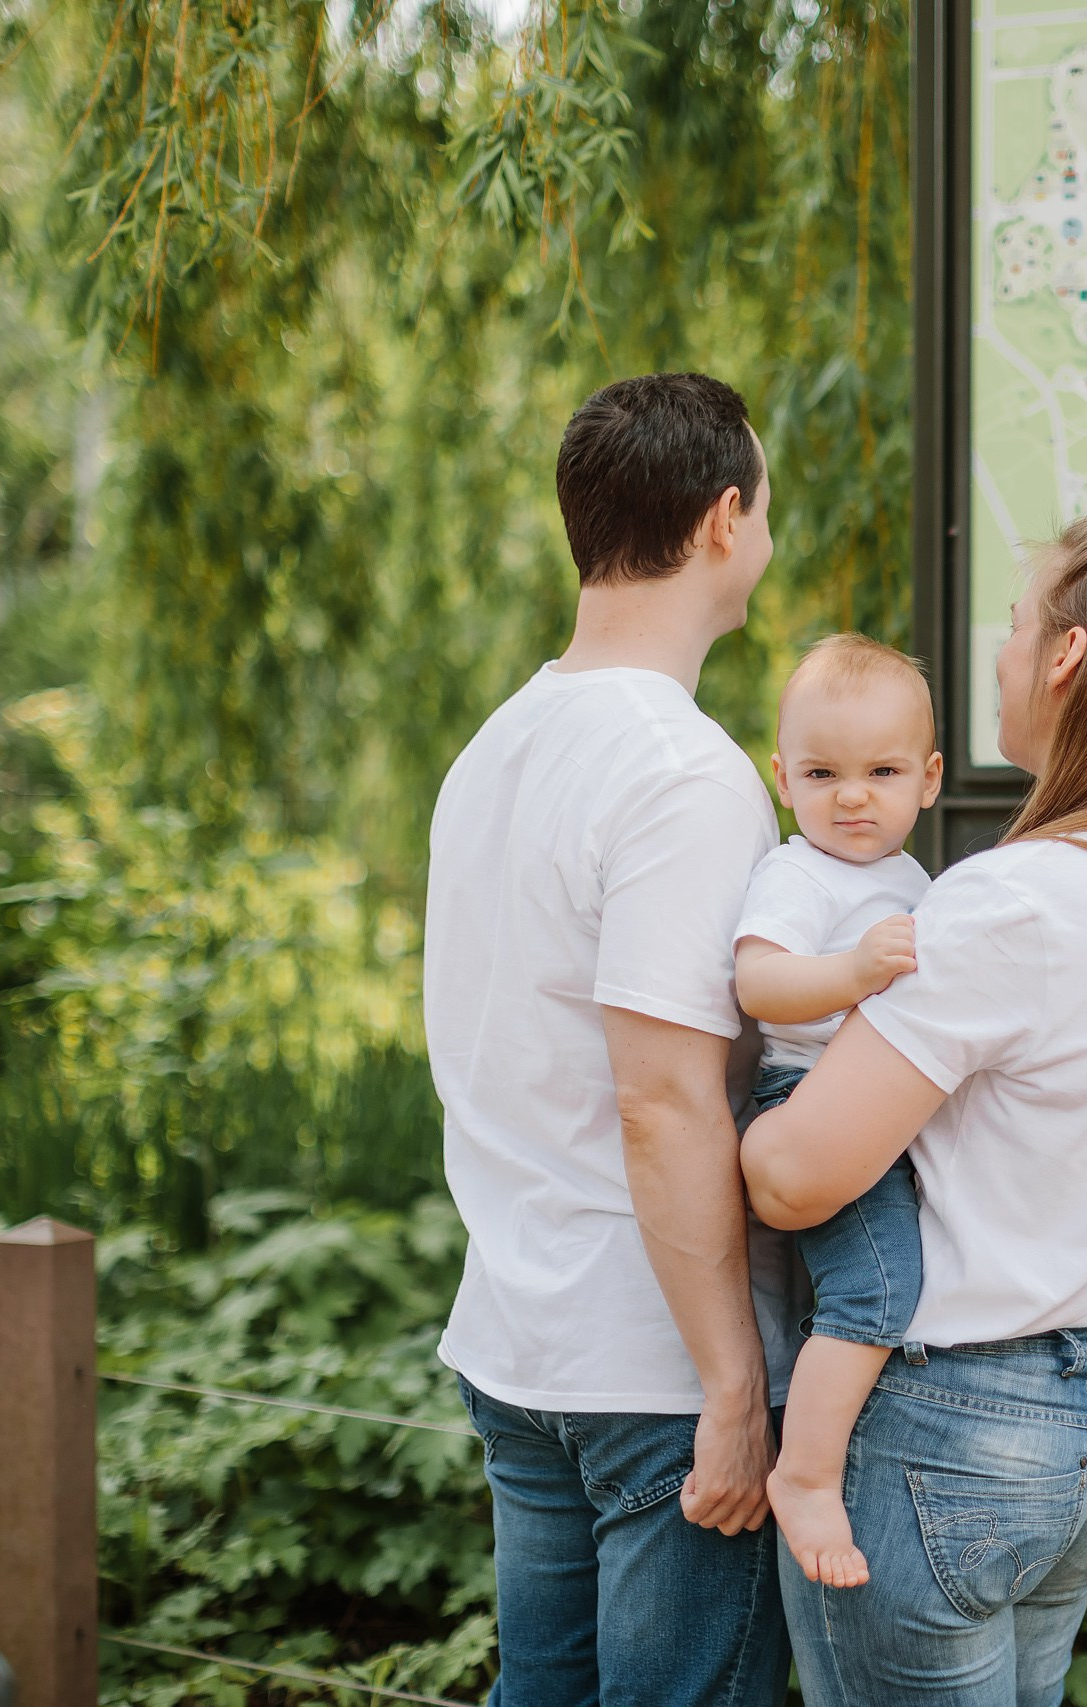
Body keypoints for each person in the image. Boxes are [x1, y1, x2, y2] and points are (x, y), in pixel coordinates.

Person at [742, 517, 1087, 1705]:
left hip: (942, 1426)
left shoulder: (1012, 901)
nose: (1001, 649)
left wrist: (748, 1122)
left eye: (1018, 622)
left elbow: (793, 1180)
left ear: (1067, 655)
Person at [424, 372, 799, 1707]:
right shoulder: (682, 772)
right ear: (720, 519)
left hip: (520, 1341)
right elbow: (664, 1097)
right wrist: (732, 1381)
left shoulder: (496, 746)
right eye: (763, 505)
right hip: (654, 1367)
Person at [730, 633, 945, 1588]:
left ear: (928, 779)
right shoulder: (798, 874)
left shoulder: (915, 884)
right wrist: (854, 972)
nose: (852, 795)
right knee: (875, 1289)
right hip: (808, 1094)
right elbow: (759, 983)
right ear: (782, 777)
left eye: (882, 770)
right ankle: (808, 1475)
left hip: (883, 1105)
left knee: (871, 1287)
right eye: (823, 772)